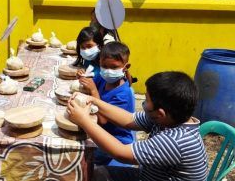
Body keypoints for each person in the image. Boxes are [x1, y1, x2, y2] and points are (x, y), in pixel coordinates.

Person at [67, 71, 208, 181]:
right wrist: (93, 100)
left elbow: (120, 153)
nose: (143, 104)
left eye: (146, 100)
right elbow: (128, 118)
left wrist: (84, 121)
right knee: (95, 173)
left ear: (160, 113)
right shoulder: (170, 119)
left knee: (89, 172)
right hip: (149, 175)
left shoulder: (174, 141)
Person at [78, 42, 135, 167]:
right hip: (102, 131)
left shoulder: (123, 94)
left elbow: (103, 120)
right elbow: (90, 84)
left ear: (125, 67)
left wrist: (93, 90)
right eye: (104, 66)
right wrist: (84, 78)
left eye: (114, 67)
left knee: (79, 154)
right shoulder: (103, 78)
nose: (108, 71)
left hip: (115, 141)